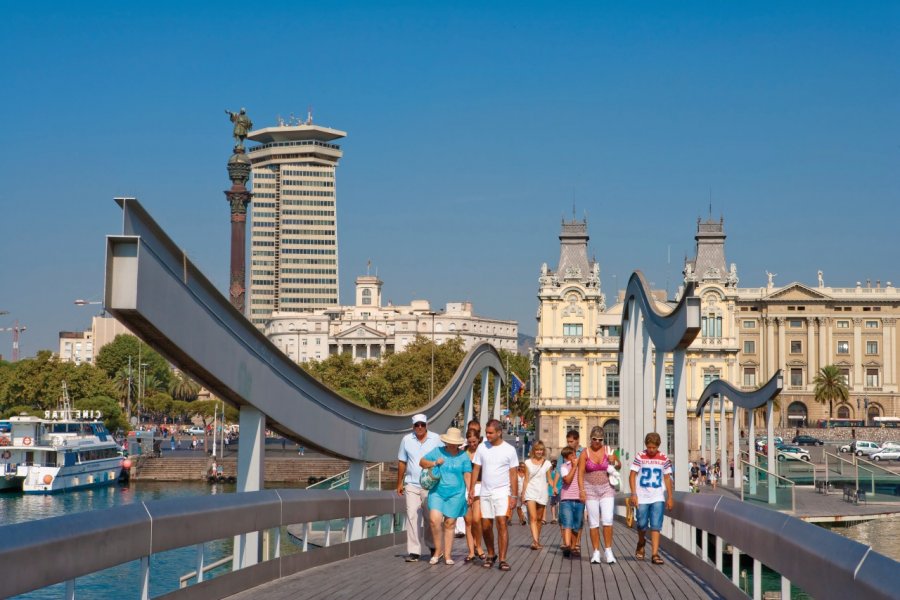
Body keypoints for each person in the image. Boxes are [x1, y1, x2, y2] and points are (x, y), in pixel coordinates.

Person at [469, 419, 519, 571]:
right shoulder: (482, 448)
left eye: (490, 433)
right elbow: (476, 469)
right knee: (485, 526)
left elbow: (513, 474)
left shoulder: (509, 450)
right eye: (486, 433)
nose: (487, 435)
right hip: (485, 492)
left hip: (502, 492)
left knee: (502, 523)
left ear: (499, 432)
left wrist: (514, 496)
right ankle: (491, 553)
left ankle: (503, 559)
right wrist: (471, 488)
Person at [420, 427, 472, 565]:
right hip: (437, 492)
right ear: (446, 441)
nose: (452, 444)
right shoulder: (437, 452)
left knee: (450, 523)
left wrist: (470, 490)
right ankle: (438, 551)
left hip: (456, 493)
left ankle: (448, 555)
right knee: (434, 520)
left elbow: (467, 473)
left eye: (455, 442)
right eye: (450, 442)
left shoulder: (463, 456)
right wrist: (435, 463)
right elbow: (422, 462)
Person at [397, 413, 441, 562]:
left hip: (430, 485)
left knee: (430, 518)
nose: (420, 427)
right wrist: (399, 482)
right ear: (413, 426)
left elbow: (443, 458)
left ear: (427, 424)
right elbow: (402, 461)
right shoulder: (406, 440)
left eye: (422, 424)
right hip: (411, 484)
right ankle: (414, 551)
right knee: (412, 517)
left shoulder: (436, 439)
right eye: (417, 425)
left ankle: (432, 545)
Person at [629, 432, 674, 566]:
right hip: (642, 496)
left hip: (657, 496)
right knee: (642, 523)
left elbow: (667, 478)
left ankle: (655, 554)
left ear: (658, 446)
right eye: (649, 447)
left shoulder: (664, 458)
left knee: (656, 525)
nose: (651, 450)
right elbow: (632, 475)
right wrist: (633, 494)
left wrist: (670, 497)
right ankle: (641, 542)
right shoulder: (640, 456)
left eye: (653, 448)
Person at [578, 426, 621, 564]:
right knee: (593, 522)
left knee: (607, 519)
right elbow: (580, 474)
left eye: (600, 440)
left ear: (603, 439)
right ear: (590, 438)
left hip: (606, 488)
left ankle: (608, 551)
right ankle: (596, 552)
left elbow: (618, 466)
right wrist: (581, 491)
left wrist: (614, 460)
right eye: (594, 439)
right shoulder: (585, 453)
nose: (597, 442)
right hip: (590, 490)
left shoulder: (608, 450)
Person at [522, 441, 553, 550]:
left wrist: (554, 487)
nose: (539, 452)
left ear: (543, 451)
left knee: (539, 518)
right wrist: (523, 494)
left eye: (541, 450)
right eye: (537, 450)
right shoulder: (527, 462)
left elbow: (549, 478)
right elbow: (526, 479)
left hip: (542, 492)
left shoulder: (547, 463)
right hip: (530, 492)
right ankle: (535, 541)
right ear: (533, 451)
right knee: (533, 518)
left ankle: (536, 540)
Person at [558, 430, 584, 550]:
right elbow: (561, 473)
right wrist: (555, 487)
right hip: (566, 496)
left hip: (579, 496)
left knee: (577, 524)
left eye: (571, 441)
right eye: (568, 441)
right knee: (566, 522)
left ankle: (575, 544)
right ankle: (568, 545)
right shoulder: (564, 457)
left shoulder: (584, 452)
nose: (569, 443)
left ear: (577, 440)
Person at [463, 427, 485, 563]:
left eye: (474, 442)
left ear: (478, 440)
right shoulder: (462, 453)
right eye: (470, 442)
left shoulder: (483, 452)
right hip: (465, 488)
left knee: (477, 519)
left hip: (479, 486)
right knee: (468, 521)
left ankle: (479, 546)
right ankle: (471, 551)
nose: (472, 445)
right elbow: (463, 473)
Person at [548, 459, 561, 524]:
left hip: (552, 489)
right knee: (558, 504)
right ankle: (558, 517)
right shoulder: (558, 471)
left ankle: (554, 517)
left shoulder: (551, 472)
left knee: (553, 504)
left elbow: (548, 480)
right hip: (559, 488)